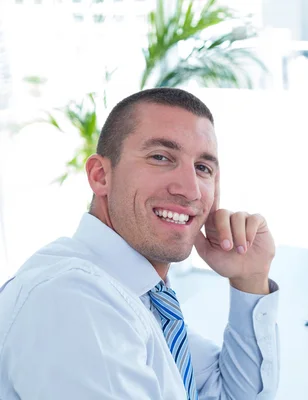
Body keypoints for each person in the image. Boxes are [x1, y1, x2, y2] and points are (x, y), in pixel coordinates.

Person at [0, 88, 279, 399]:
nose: (190, 190)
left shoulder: (140, 292)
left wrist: (250, 279)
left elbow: (227, 394)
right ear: (101, 176)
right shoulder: (76, 301)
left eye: (203, 168)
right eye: (160, 157)